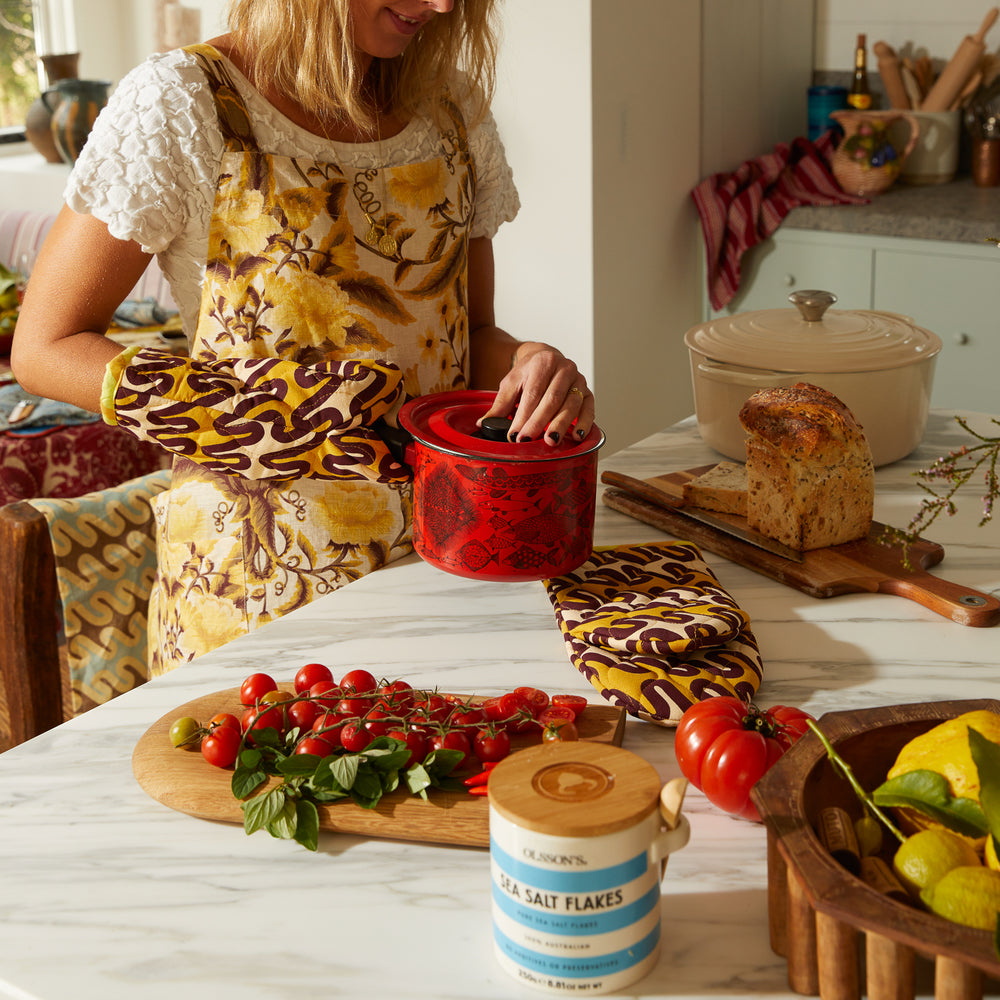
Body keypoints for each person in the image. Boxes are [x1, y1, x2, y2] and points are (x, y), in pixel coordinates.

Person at [12, 0, 595, 674]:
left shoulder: (450, 108)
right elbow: (43, 347)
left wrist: (530, 364)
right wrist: (245, 409)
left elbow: (469, 338)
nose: (441, 6)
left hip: (445, 575)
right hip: (254, 604)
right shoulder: (185, 103)